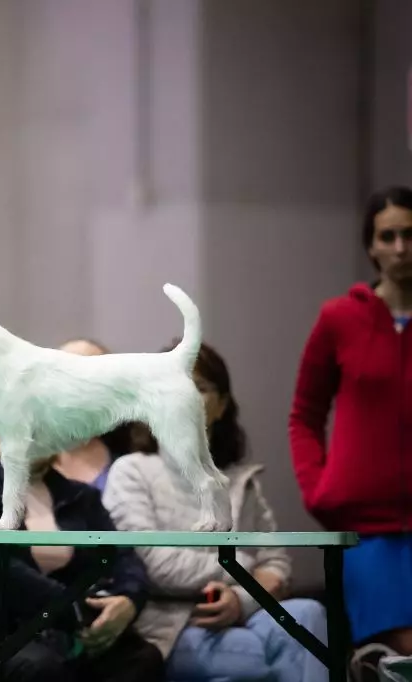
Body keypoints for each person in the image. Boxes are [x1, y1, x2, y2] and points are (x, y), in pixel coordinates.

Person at [105, 341, 328, 682]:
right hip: (172, 624)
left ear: (221, 406)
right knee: (254, 656)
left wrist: (240, 599)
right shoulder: (132, 471)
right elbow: (153, 564)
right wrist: (243, 566)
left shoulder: (241, 480)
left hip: (244, 610)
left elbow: (277, 563)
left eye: (201, 387)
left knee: (310, 615)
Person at [0, 405, 165, 682]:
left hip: (65, 632)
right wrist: (74, 609)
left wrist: (128, 601)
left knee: (142, 659)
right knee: (42, 667)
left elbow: (124, 557)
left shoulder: (83, 497)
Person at [289, 185, 412, 678]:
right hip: (366, 530)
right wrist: (319, 490)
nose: (401, 248)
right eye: (388, 236)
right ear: (371, 245)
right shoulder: (339, 318)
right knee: (398, 650)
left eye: (410, 234)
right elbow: (304, 413)